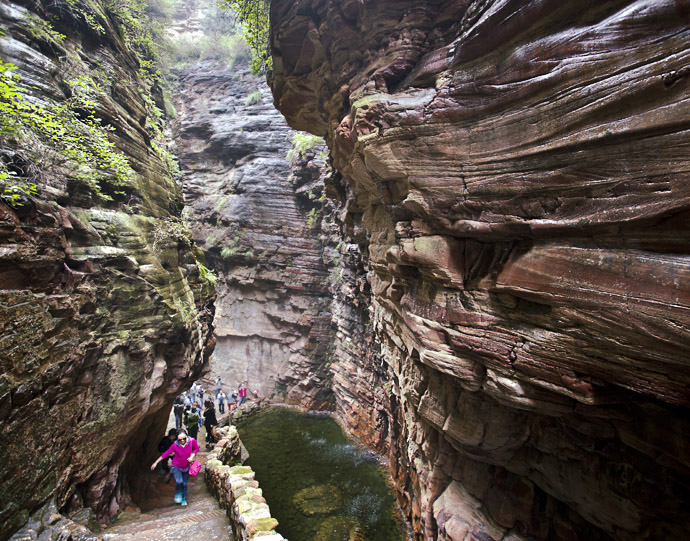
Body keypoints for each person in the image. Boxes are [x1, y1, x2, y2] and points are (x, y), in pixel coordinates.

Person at [150, 429, 198, 507]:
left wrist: (192, 456)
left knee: (185, 484)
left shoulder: (192, 441)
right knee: (179, 481)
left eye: (184, 439)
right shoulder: (175, 445)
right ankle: (178, 493)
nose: (182, 441)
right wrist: (156, 462)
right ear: (177, 438)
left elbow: (196, 448)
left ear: (187, 437)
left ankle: (183, 499)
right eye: (180, 439)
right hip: (176, 466)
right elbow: (166, 454)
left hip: (186, 466)